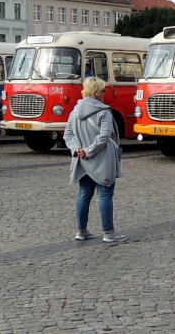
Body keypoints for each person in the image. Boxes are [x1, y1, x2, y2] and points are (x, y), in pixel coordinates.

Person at [64, 77, 127, 243]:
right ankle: (109, 232)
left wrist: (77, 149)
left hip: (82, 161)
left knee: (84, 194)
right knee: (105, 194)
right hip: (102, 159)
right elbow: (105, 135)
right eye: (103, 90)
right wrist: (89, 150)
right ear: (98, 93)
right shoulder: (104, 111)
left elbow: (68, 134)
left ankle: (82, 230)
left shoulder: (74, 111)